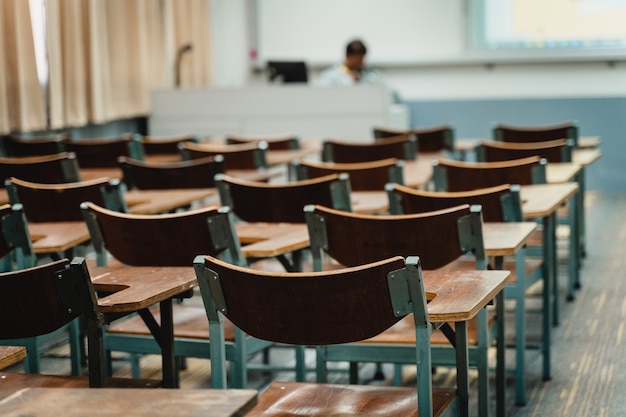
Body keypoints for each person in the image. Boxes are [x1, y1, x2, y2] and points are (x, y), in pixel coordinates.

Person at [317, 39, 383, 86]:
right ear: (347, 56)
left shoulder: (371, 75)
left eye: (361, 59)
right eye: (355, 59)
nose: (358, 63)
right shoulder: (331, 76)